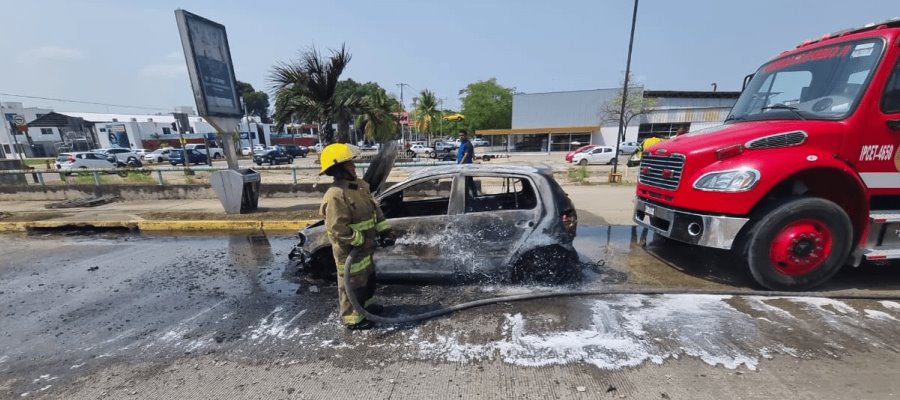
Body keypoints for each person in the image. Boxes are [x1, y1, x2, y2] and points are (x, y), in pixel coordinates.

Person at [318, 143, 392, 331]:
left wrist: (385, 230)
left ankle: (367, 307)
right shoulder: (335, 196)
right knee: (352, 286)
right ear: (338, 169)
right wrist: (362, 242)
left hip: (367, 250)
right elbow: (338, 229)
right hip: (350, 251)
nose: (354, 167)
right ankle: (352, 319)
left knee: (368, 280)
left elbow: (375, 209)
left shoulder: (360, 186)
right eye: (349, 164)